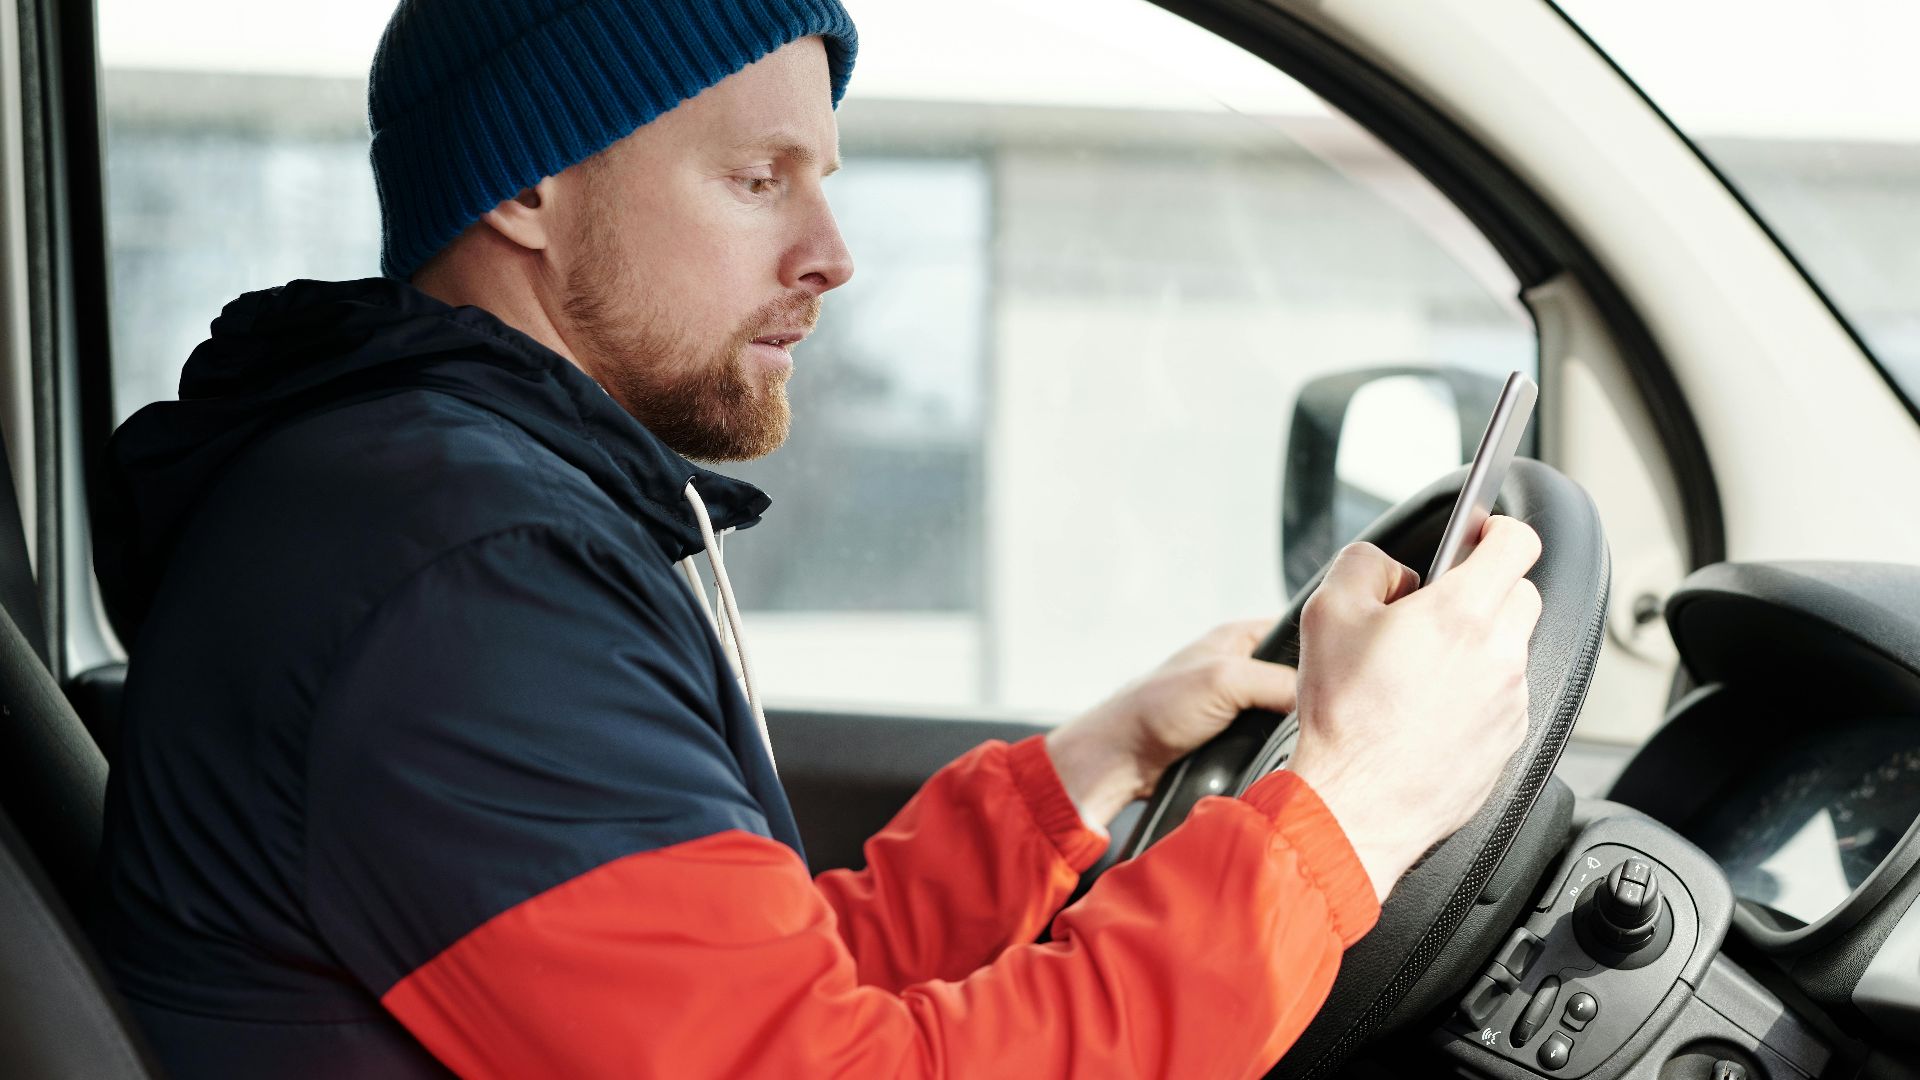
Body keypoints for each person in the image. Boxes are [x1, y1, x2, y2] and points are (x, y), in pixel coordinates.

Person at [92, 1, 1543, 1077]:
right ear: (529, 185)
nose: (832, 255)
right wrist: (1353, 806)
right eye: (757, 178)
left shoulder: (436, 508)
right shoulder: (458, 581)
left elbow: (733, 989)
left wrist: (1089, 768)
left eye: (823, 177)